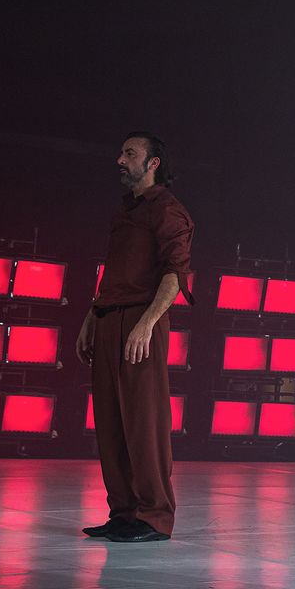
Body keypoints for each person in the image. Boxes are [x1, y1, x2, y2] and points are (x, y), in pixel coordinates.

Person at [76, 131, 194, 543]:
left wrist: (146, 323)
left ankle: (155, 516)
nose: (120, 159)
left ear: (154, 163)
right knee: (111, 423)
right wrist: (93, 315)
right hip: (110, 317)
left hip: (140, 323)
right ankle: (124, 512)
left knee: (144, 421)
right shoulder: (126, 212)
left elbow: (175, 275)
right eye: (121, 151)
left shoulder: (167, 210)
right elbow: (115, 273)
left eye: (130, 153)